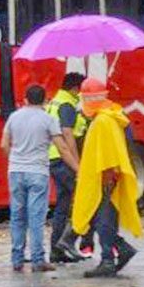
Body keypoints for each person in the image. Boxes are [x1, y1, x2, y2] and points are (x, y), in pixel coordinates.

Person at [1, 85, 79, 272]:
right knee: (36, 217)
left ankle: (17, 260)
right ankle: (37, 260)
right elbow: (62, 148)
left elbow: (4, 145)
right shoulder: (49, 119)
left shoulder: (13, 117)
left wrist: (14, 161)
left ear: (26, 99)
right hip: (38, 172)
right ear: (44, 100)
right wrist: (78, 169)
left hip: (16, 171)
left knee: (17, 216)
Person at [71, 78, 143, 278]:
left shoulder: (103, 121)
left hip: (105, 177)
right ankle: (120, 249)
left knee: (103, 218)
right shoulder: (114, 115)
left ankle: (108, 259)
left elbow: (107, 152)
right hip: (109, 175)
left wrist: (108, 174)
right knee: (104, 217)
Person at [46, 72, 88, 263]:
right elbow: (67, 134)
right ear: (74, 88)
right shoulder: (67, 105)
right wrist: (76, 163)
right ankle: (68, 242)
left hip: (53, 159)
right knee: (85, 202)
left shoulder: (55, 101)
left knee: (63, 206)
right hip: (64, 160)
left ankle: (57, 250)